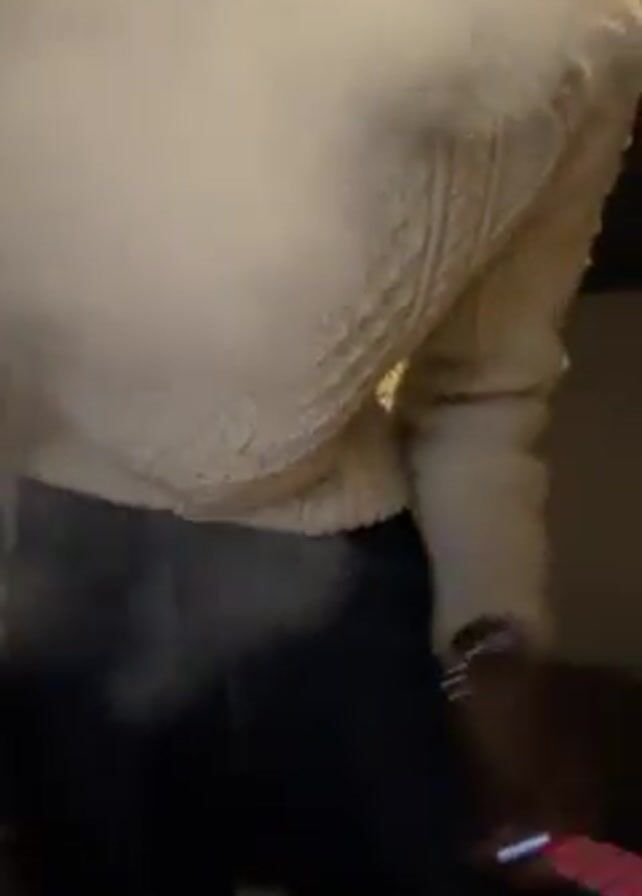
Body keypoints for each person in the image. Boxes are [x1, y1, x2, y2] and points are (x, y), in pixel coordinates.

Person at [0, 2, 640, 894]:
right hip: (68, 547)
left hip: (348, 560)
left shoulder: (589, 58)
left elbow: (480, 387)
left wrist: (492, 641)